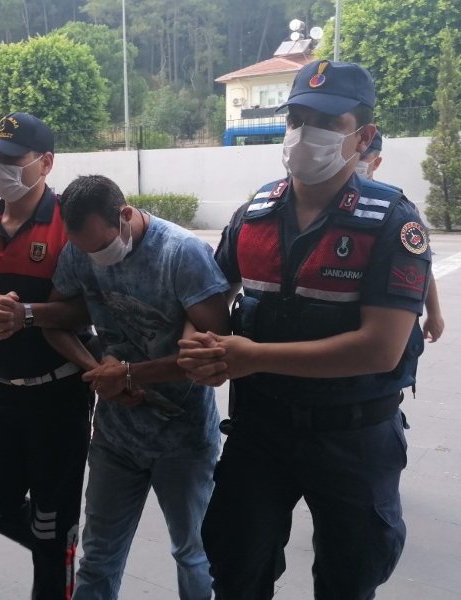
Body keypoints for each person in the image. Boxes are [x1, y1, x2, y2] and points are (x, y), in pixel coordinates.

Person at [178, 60, 432, 599]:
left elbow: (380, 349)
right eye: (296, 119)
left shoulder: (393, 222)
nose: (304, 134)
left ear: (362, 137)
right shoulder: (255, 214)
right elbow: (206, 296)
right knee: (235, 568)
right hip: (260, 431)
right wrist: (197, 343)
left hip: (353, 435)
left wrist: (253, 356)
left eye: (326, 122)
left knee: (349, 577)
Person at [47, 174, 231, 600]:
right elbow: (56, 322)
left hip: (183, 440)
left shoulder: (182, 254)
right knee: (98, 556)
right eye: (85, 250)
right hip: (116, 437)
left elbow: (217, 351)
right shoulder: (77, 252)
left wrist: (129, 375)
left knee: (193, 553)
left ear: (125, 215)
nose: (96, 258)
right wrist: (99, 371)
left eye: (102, 245)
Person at [0, 112, 95, 600]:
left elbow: (88, 307)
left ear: (45, 163)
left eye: (11, 158)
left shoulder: (71, 224)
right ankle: (60, 549)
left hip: (59, 396)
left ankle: (57, 555)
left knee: (51, 521)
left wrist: (26, 314)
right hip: (0, 392)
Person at [356, 130, 444, 342]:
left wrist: (434, 313)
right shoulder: (323, 201)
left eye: (362, 158)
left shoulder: (398, 208)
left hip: (389, 324)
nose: (354, 162)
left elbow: (421, 264)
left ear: (376, 163)